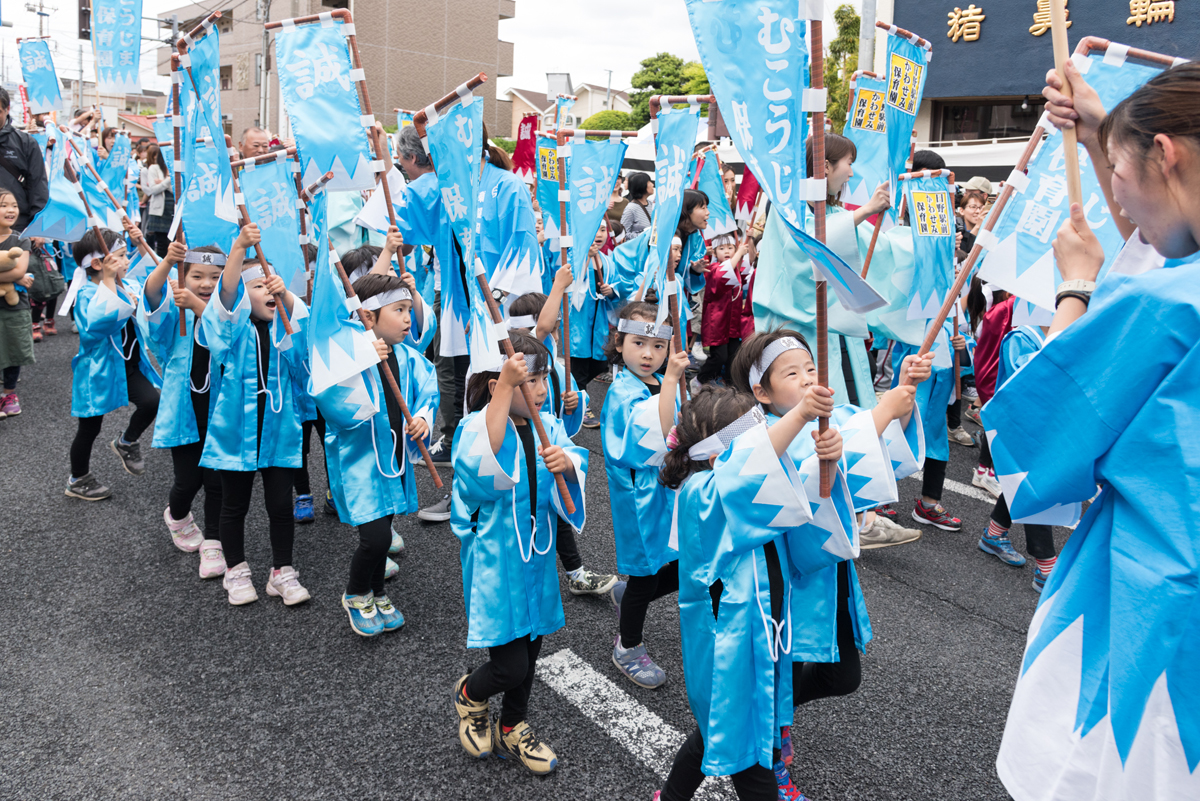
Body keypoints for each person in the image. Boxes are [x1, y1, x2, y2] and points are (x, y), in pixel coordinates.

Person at [983, 60, 1200, 800]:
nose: (1116, 198)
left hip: (1160, 610)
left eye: (1117, 172)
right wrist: (1103, 129)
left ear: (1166, 154)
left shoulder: (1173, 305)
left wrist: (1076, 286)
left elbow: (1037, 449)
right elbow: (1167, 231)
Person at [451, 332, 586, 775]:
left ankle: (513, 724)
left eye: (545, 378)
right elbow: (479, 472)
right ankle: (470, 695)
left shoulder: (546, 424)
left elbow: (568, 488)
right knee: (508, 665)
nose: (543, 389)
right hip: (498, 562)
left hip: (537, 560)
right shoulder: (478, 426)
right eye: (532, 380)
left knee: (530, 652)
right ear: (499, 385)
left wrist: (568, 466)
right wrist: (506, 389)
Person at [314, 271, 437, 636]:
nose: (406, 318)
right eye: (397, 310)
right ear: (368, 317)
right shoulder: (349, 354)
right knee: (376, 538)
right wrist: (359, 361)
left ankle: (378, 592)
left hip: (394, 458)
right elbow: (327, 397)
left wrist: (422, 419)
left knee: (384, 530)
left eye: (406, 309)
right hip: (361, 464)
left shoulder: (406, 356)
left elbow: (427, 386)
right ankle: (355, 594)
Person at [199, 223, 310, 607]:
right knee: (235, 505)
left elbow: (305, 354)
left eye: (271, 282)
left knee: (280, 504)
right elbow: (225, 297)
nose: (268, 290)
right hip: (237, 428)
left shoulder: (287, 326)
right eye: (258, 285)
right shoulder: (233, 330)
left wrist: (289, 299)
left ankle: (282, 571)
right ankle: (236, 569)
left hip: (279, 428)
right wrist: (237, 249)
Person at [505, 283, 620, 597]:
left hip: (548, 443)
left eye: (556, 329)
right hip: (520, 449)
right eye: (549, 328)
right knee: (528, 514)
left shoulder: (548, 360)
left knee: (556, 510)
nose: (551, 335)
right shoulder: (515, 360)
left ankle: (575, 572)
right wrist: (559, 283)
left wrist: (573, 402)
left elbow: (558, 414)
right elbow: (540, 329)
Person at [602, 302, 689, 689]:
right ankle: (628, 645)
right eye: (639, 343)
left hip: (666, 492)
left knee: (678, 562)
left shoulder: (658, 382)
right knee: (644, 574)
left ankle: (626, 598)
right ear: (619, 343)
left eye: (658, 345)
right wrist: (671, 382)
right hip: (639, 497)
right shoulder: (622, 392)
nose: (649, 354)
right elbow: (653, 438)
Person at [137, 236, 227, 579]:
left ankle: (214, 543)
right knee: (188, 482)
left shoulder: (228, 314)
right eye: (197, 276)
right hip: (185, 410)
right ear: (182, 278)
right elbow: (151, 296)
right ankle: (177, 515)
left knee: (218, 481)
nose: (206, 284)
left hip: (221, 411)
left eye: (216, 277)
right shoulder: (175, 316)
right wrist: (167, 262)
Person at [65, 228, 162, 501]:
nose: (126, 260)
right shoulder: (86, 294)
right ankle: (78, 479)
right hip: (97, 372)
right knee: (89, 428)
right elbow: (95, 326)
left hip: (128, 367)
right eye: (120, 256)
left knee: (152, 402)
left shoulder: (126, 284)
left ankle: (127, 441)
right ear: (99, 264)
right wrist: (109, 280)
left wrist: (141, 242)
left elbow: (154, 277)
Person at [696, 233, 750, 386]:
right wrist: (739, 253)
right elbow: (722, 276)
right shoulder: (712, 269)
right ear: (714, 253)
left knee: (734, 356)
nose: (727, 251)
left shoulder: (737, 268)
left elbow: (749, 264)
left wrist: (750, 239)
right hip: (717, 321)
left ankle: (731, 386)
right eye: (721, 248)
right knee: (719, 357)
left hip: (732, 322)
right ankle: (700, 380)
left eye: (730, 248)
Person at [0, 190, 32, 419]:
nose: (10, 210)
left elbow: (21, 270)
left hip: (15, 306)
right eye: (4, 205)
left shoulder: (21, 239)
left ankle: (9, 394)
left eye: (14, 206)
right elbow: (17, 274)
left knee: (14, 348)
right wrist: (14, 277)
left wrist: (17, 275)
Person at [0, 88, 48, 233]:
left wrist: (38, 228)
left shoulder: (26, 143)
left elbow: (38, 187)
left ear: (7, 109)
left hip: (16, 227)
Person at [139, 145, 174, 257]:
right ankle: (161, 267)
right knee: (162, 243)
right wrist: (169, 180)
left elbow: (179, 190)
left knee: (174, 242)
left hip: (174, 209)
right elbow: (153, 189)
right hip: (160, 210)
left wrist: (163, 182)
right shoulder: (154, 168)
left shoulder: (175, 168)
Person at [620, 172, 654, 237]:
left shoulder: (651, 204)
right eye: (649, 182)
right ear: (642, 185)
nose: (652, 185)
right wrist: (643, 236)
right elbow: (623, 234)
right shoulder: (631, 208)